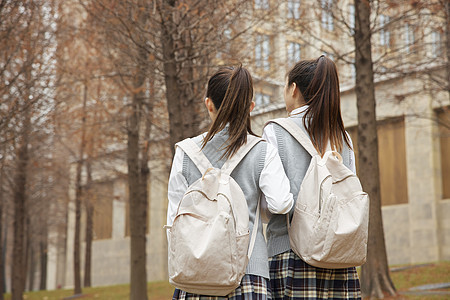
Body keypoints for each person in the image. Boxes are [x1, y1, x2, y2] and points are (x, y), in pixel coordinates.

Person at [167, 65, 294, 299]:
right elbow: (281, 204)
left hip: (196, 277)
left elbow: (174, 222)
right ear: (251, 108)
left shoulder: (185, 153)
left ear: (208, 104)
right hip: (248, 275)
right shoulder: (262, 151)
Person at [263, 56, 362, 299]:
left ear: (294, 89)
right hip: (338, 257)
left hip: (290, 254)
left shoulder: (276, 131)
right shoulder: (343, 139)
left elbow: (271, 206)